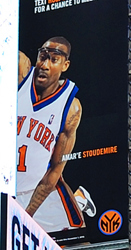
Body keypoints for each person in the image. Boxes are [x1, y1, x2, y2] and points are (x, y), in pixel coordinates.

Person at [16, 38, 86, 228]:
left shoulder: (71, 107)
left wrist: (26, 215)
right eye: (43, 57)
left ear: (65, 65)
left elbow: (55, 170)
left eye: (54, 60)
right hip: (4, 185)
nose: (45, 65)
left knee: (79, 239)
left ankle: (78, 200)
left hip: (38, 190)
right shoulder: (22, 73)